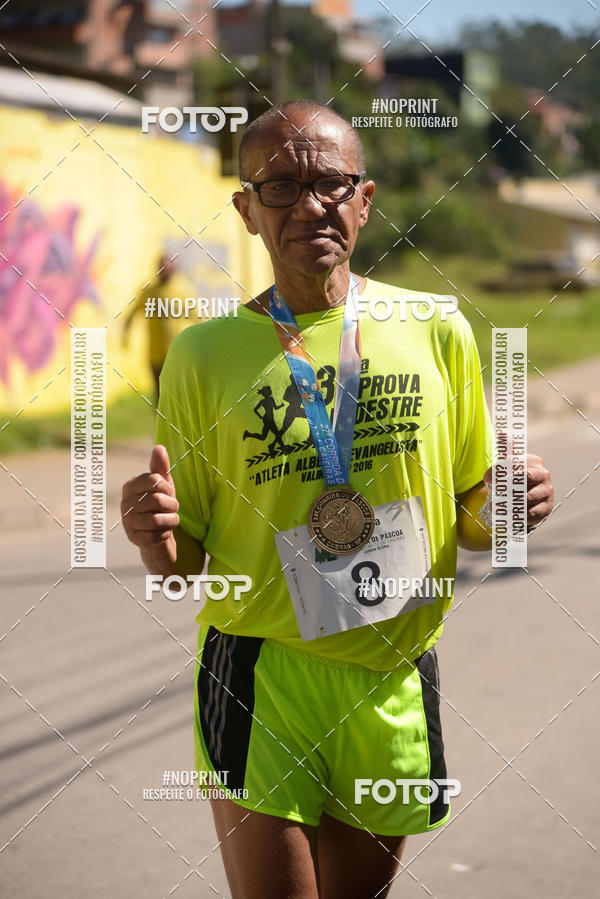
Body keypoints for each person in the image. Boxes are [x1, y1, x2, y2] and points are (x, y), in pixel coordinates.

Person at [121, 100, 554, 899]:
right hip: (261, 669)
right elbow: (185, 566)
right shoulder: (203, 356)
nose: (309, 205)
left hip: (393, 671)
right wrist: (153, 535)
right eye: (280, 186)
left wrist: (508, 508)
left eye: (331, 184)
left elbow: (475, 518)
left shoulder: (435, 328)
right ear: (246, 211)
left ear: (366, 198)